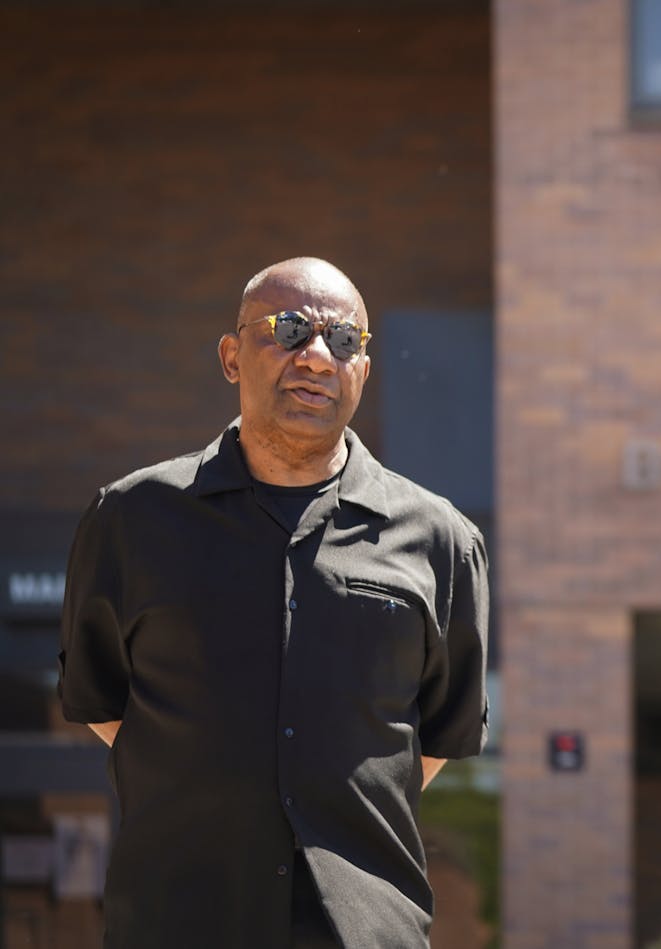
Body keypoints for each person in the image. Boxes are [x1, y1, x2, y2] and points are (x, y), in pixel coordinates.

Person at [58, 257, 489, 948]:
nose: (316, 356)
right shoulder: (130, 520)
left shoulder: (440, 541)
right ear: (232, 357)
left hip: (364, 932)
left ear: (363, 370)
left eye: (344, 340)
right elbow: (104, 704)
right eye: (289, 329)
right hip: (180, 923)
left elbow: (433, 740)